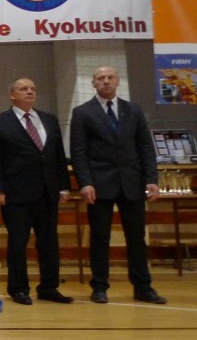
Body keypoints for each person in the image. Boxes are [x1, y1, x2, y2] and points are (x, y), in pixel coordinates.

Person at [70, 66, 167, 305]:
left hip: (132, 182)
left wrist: (151, 179)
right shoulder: (82, 112)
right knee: (100, 238)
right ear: (93, 84)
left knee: (136, 238)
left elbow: (145, 147)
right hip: (99, 185)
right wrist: (85, 183)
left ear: (117, 81)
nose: (105, 81)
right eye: (100, 78)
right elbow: (79, 152)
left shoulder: (133, 110)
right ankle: (99, 287)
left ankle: (143, 287)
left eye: (109, 77)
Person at [0, 78, 74, 305]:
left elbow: (57, 155)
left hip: (47, 191)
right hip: (16, 192)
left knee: (49, 242)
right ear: (11, 95)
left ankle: (49, 287)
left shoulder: (49, 119)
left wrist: (64, 186)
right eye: (23, 89)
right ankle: (18, 288)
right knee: (17, 242)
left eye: (33, 89)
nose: (29, 92)